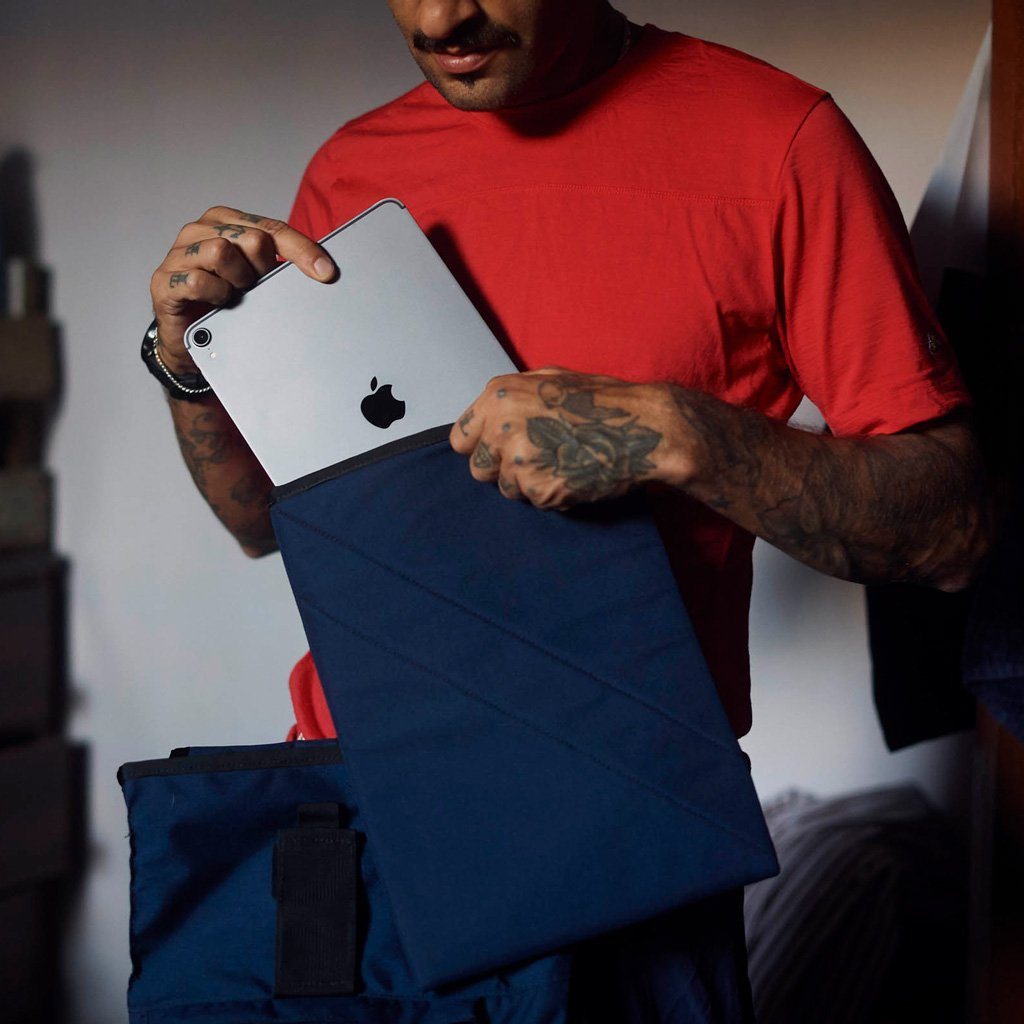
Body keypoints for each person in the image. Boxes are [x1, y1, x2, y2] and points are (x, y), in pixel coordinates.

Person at [144, 2, 989, 1019]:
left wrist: (681, 435)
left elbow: (953, 526)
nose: (441, 15)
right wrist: (189, 367)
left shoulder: (779, 141)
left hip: (622, 835)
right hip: (361, 815)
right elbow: (259, 524)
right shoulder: (351, 168)